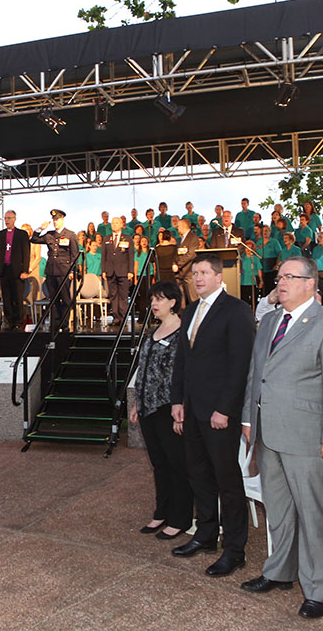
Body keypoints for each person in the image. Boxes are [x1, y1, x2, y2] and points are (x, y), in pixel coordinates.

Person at [240, 256, 323, 620]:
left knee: (314, 514)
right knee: (279, 509)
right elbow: (257, 374)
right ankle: (279, 571)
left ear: (310, 283)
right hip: (267, 432)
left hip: (307, 438)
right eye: (279, 276)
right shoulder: (270, 320)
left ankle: (317, 588)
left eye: (290, 276)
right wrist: (247, 417)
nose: (281, 281)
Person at [168, 255, 255, 577]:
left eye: (205, 272)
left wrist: (225, 409)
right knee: (199, 476)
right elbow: (183, 361)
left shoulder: (237, 311)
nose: (198, 278)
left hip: (220, 414)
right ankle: (205, 534)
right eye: (194, 273)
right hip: (191, 411)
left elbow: (240, 366)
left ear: (220, 277)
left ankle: (235, 550)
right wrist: (177, 400)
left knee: (227, 482)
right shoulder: (190, 311)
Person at [132, 281, 193, 540]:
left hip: (169, 409)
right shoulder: (153, 331)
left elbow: (182, 376)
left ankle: (180, 518)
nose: (154, 304)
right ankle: (162, 512)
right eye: (152, 299)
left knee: (176, 463)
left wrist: (181, 408)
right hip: (148, 408)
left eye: (160, 299)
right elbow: (144, 369)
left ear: (173, 302)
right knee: (159, 463)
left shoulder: (183, 333)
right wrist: (137, 401)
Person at [30, 209, 79, 334]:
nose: (55, 222)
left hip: (64, 271)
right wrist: (40, 228)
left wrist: (73, 271)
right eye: (54, 220)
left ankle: (65, 323)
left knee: (66, 299)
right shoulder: (49, 235)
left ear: (62, 219)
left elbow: (74, 255)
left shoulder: (70, 235)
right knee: (54, 299)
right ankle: (56, 323)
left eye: (57, 219)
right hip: (51, 270)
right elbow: (34, 239)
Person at [0, 210, 31, 331]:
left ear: (15, 219)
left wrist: (25, 270)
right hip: (4, 269)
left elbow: (26, 253)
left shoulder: (22, 234)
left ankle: (19, 321)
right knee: (7, 297)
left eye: (9, 218)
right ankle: (9, 320)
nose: (7, 220)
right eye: (5, 218)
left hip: (17, 271)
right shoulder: (0, 234)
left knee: (18, 297)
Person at [101, 215, 134, 326]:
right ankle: (116, 317)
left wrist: (131, 271)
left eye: (116, 223)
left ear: (121, 225)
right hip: (110, 271)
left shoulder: (128, 238)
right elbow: (103, 256)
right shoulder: (107, 239)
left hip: (124, 271)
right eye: (113, 223)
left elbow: (131, 256)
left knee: (124, 295)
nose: (114, 224)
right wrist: (104, 270)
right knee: (113, 295)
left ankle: (123, 317)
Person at [255, 224, 282, 296]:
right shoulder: (258, 242)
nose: (265, 232)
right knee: (262, 287)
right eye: (263, 231)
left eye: (267, 231)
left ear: (270, 232)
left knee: (271, 286)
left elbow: (279, 253)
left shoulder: (274, 241)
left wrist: (276, 264)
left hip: (271, 266)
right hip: (261, 266)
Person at [239, 240, 262, 310]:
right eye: (247, 247)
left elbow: (259, 270)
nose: (248, 249)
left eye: (250, 248)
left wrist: (261, 280)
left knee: (254, 300)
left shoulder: (255, 258)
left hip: (253, 282)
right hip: (244, 282)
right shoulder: (242, 259)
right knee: (244, 300)